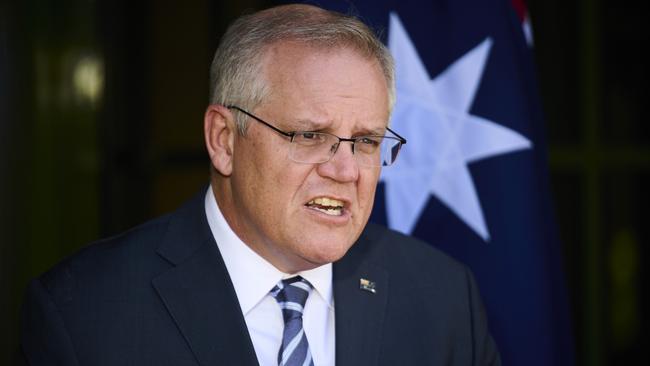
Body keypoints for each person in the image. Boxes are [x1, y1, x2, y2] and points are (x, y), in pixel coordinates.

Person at [20, 4, 501, 366]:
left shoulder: (444, 300)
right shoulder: (84, 312)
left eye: (367, 141)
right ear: (224, 140)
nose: (347, 170)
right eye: (310, 135)